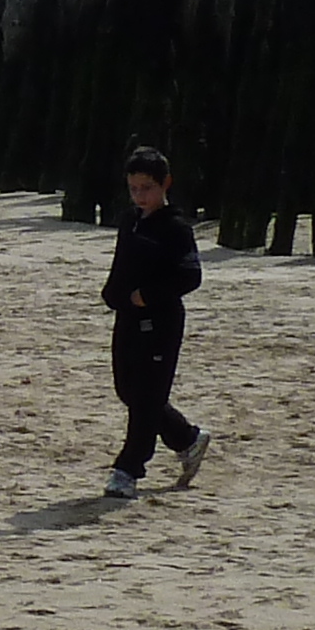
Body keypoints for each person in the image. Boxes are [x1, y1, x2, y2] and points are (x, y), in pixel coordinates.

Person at [100, 147, 211, 499]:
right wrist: (114, 294)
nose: (140, 196)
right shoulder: (130, 221)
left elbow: (191, 275)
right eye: (133, 188)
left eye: (146, 188)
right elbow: (122, 266)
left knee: (147, 397)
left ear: (165, 184)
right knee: (129, 390)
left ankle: (128, 469)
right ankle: (187, 438)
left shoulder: (176, 228)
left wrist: (147, 296)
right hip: (128, 319)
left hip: (161, 322)